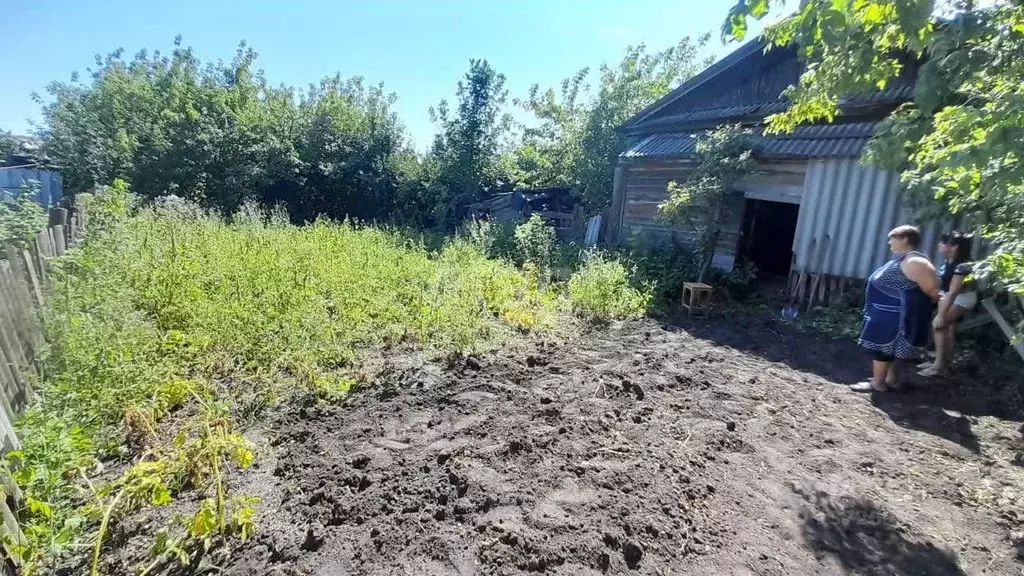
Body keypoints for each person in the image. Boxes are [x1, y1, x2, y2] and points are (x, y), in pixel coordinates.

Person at [851, 225, 940, 392]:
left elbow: (932, 291)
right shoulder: (903, 259)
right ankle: (889, 379)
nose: (889, 242)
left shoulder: (915, 262)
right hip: (885, 312)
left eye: (892, 238)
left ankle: (877, 383)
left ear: (904, 239)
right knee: (887, 348)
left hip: (895, 315)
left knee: (884, 348)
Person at [919, 232, 976, 377]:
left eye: (943, 242)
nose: (939, 245)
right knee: (948, 330)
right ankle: (942, 363)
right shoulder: (947, 262)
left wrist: (941, 314)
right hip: (947, 298)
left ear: (954, 246)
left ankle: (938, 367)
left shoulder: (963, 266)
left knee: (939, 324)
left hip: (962, 298)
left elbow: (954, 291)